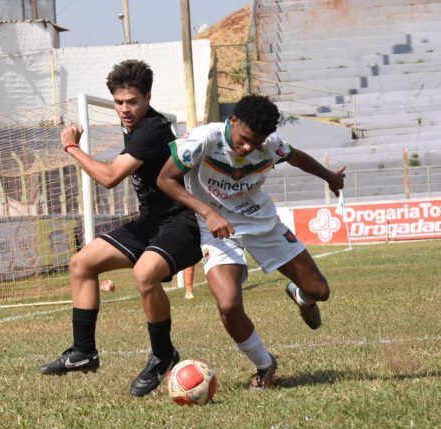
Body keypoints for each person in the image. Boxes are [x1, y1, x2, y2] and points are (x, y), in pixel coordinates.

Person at [157, 95, 345, 390]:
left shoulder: (270, 145)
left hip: (263, 223)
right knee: (229, 305)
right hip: (217, 229)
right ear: (233, 122)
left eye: (255, 144)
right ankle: (265, 365)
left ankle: (301, 295)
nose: (247, 148)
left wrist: (329, 177)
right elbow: (165, 179)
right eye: (243, 139)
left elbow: (297, 158)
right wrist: (208, 213)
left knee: (320, 291)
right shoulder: (204, 139)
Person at [39, 59, 202, 398]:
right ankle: (84, 352)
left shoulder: (153, 128)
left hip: (179, 224)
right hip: (150, 223)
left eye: (132, 102)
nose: (125, 109)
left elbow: (111, 177)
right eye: (118, 102)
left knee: (145, 274)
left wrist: (71, 147)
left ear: (147, 97)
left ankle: (162, 355)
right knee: (82, 263)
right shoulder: (135, 126)